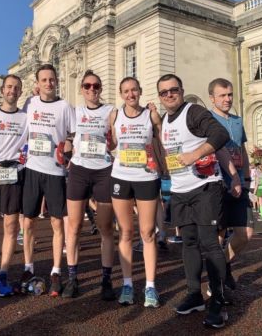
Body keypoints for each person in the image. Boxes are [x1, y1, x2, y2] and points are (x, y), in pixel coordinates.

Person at [157, 73, 240, 329]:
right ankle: (195, 295)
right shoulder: (164, 120)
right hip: (181, 190)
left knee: (209, 244)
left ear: (181, 91)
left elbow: (219, 134)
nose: (170, 95)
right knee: (189, 243)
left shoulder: (193, 112)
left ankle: (217, 300)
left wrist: (196, 154)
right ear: (160, 97)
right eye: (164, 92)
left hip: (205, 187)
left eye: (174, 90)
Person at [21, 64, 75, 297]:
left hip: (55, 171)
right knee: (28, 222)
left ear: (56, 81)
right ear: (38, 82)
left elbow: (73, 133)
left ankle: (55, 270)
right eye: (44, 80)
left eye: (52, 79)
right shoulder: (30, 104)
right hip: (32, 168)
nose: (48, 83)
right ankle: (28, 267)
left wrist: (70, 146)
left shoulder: (64, 106)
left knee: (56, 223)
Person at [62, 70, 116, 300]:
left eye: (96, 86)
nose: (92, 90)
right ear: (81, 89)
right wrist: (66, 158)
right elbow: (65, 137)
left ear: (100, 88)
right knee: (73, 227)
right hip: (79, 171)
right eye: (87, 86)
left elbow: (116, 139)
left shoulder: (110, 111)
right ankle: (72, 277)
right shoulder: (75, 112)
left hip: (103, 171)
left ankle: (106, 279)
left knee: (105, 228)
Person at [110, 77, 162, 307]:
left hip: (146, 176)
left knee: (148, 232)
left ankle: (150, 286)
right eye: (126, 91)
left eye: (134, 90)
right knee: (125, 232)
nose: (131, 94)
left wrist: (158, 120)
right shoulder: (115, 115)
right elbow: (110, 143)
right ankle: (128, 283)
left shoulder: (150, 115)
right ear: (121, 94)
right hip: (121, 176)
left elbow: (162, 139)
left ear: (140, 91)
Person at [0, 74, 28, 297]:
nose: (12, 91)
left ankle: (2, 273)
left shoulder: (26, 116)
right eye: (9, 87)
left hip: (14, 174)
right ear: (2, 90)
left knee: (11, 227)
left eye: (16, 88)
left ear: (21, 92)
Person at [208, 78, 254, 290]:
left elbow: (242, 150)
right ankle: (216, 282)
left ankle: (224, 264)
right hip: (217, 183)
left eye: (229, 95)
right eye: (222, 96)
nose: (227, 99)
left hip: (239, 184)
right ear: (212, 98)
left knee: (246, 233)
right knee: (219, 233)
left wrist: (246, 178)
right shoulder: (208, 120)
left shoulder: (237, 120)